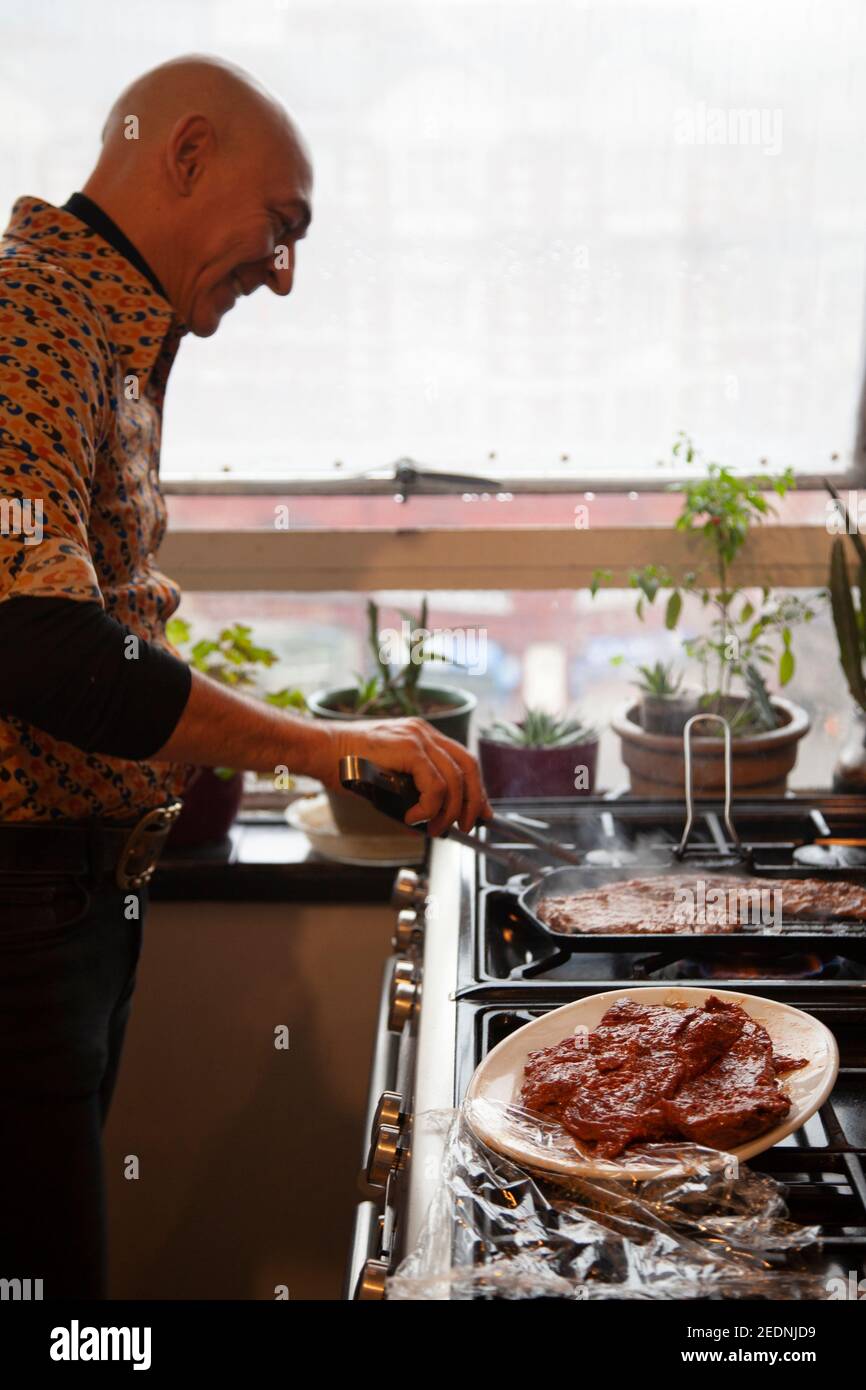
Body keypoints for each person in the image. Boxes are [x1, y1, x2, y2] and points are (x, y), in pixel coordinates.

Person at [0, 54, 491, 1299]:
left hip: (69, 901)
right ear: (184, 155)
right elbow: (35, 642)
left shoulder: (105, 335)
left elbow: (93, 624)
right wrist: (324, 746)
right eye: (281, 227)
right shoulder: (25, 320)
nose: (282, 271)